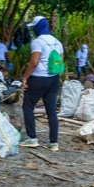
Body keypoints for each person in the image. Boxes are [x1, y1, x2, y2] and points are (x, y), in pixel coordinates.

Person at [20, 16, 64, 150]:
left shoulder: (37, 42)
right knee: (51, 111)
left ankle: (32, 138)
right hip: (53, 79)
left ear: (37, 27)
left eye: (33, 27)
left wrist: (25, 78)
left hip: (38, 79)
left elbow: (34, 62)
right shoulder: (58, 42)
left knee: (28, 107)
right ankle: (53, 143)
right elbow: (60, 62)